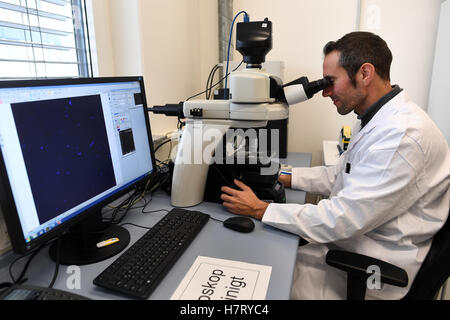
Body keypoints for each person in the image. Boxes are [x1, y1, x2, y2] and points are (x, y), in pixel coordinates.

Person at [220, 31, 450, 300]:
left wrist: (262, 209)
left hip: (370, 273)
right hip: (353, 246)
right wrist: (281, 174)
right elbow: (341, 174)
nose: (325, 92)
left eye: (330, 82)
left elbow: (342, 218)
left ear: (365, 73)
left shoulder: (402, 136)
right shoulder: (376, 117)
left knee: (256, 288)